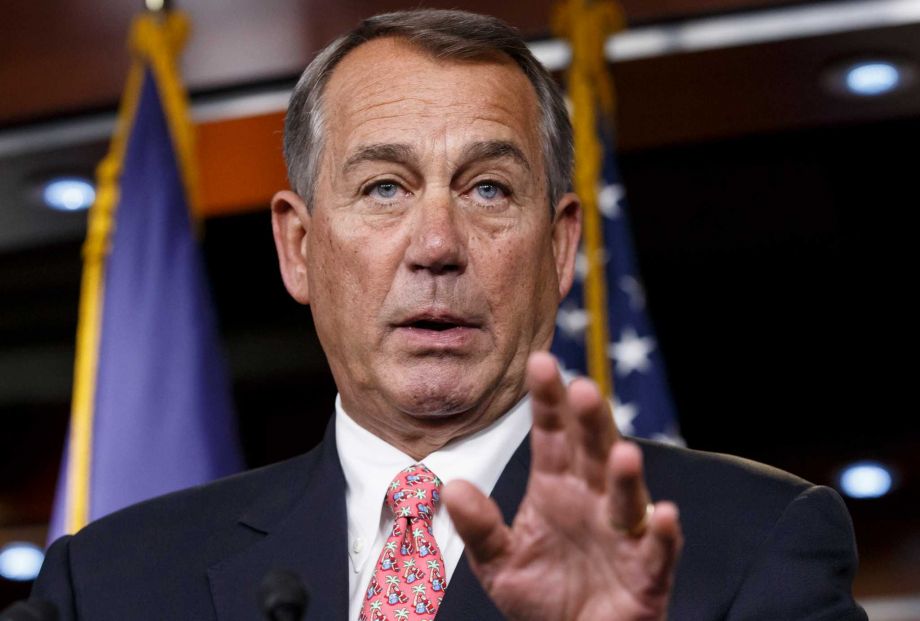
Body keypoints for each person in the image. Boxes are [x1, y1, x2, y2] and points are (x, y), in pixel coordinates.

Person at [32, 9, 866, 621]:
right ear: (298, 247)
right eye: (384, 188)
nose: (436, 243)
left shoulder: (758, 546)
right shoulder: (109, 581)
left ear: (560, 246)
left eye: (489, 189)